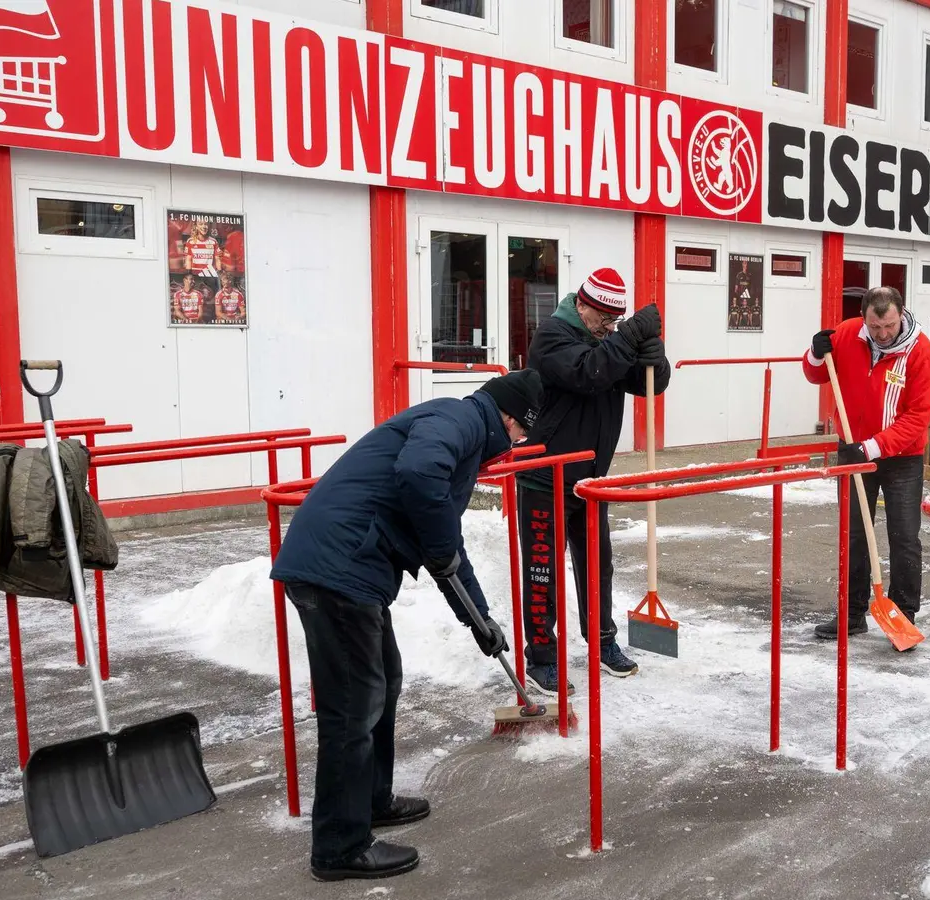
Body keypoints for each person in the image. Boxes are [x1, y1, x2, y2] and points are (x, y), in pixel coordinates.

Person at [269, 370, 542, 881]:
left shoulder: (460, 431)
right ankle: (339, 846)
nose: (514, 447)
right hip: (337, 566)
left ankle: (371, 801)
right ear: (509, 420)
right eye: (521, 435)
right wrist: (439, 549)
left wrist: (478, 619)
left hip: (351, 568)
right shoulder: (457, 419)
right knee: (354, 703)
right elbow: (419, 478)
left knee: (384, 680)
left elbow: (446, 544)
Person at [519, 267, 670, 694]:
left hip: (590, 480)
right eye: (602, 318)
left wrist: (653, 355)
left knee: (597, 566)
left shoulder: (608, 342)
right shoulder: (552, 337)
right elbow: (590, 373)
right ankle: (542, 656)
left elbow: (649, 386)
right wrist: (628, 337)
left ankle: (602, 642)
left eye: (614, 320)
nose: (608, 327)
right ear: (581, 304)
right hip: (544, 478)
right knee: (541, 571)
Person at [802, 285, 930, 641]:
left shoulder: (920, 353)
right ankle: (852, 612)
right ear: (865, 318)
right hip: (852, 450)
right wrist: (815, 354)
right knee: (854, 534)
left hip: (901, 458)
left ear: (901, 314)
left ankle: (904, 613)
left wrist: (872, 448)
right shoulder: (848, 334)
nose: (882, 334)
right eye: (875, 327)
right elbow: (816, 373)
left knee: (904, 535)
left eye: (889, 326)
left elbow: (917, 419)